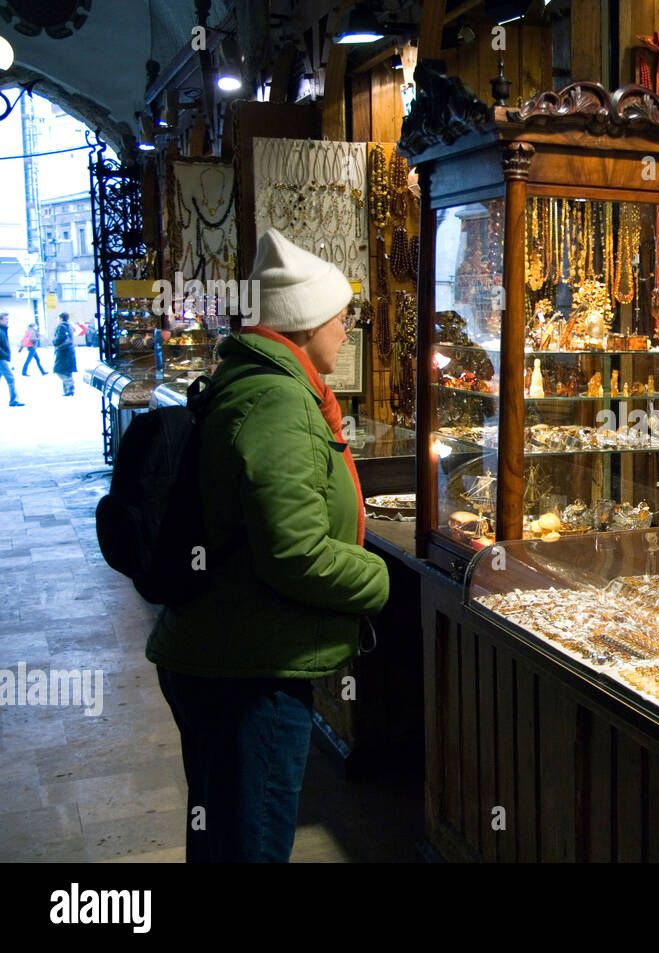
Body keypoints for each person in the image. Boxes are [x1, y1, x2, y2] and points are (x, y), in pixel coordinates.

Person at [146, 228, 390, 862]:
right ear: (307, 323)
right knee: (249, 844)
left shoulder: (260, 385)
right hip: (247, 671)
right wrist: (380, 580)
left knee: (223, 836)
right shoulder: (279, 402)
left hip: (229, 651)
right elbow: (295, 552)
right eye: (341, 314)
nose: (347, 326)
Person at [0, 313, 22, 406]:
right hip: (1, 358)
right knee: (10, 378)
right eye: (6, 319)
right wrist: (4, 354)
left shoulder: (3, 330)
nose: (7, 321)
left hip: (2, 357)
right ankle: (14, 400)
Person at [52, 312, 76, 396]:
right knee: (67, 371)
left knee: (59, 370)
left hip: (63, 351)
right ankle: (68, 390)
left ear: (61, 318)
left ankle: (69, 387)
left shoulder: (61, 326)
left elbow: (60, 338)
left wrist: (54, 342)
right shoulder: (68, 326)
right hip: (69, 351)